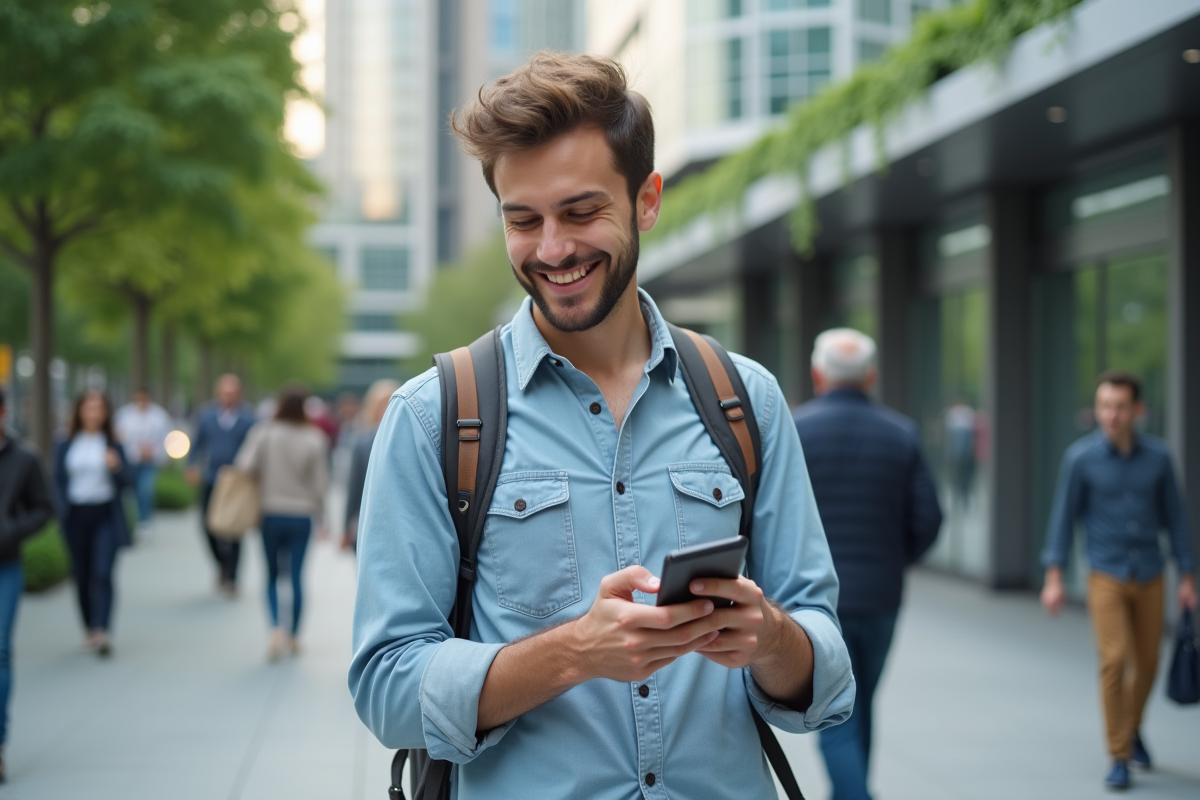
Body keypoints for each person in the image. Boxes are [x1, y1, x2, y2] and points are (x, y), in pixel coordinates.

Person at [348, 52, 853, 799]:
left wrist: (773, 638)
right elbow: (386, 685)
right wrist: (575, 653)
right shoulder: (434, 416)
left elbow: (826, 663)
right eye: (524, 220)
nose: (552, 250)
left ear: (647, 201)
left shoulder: (747, 398)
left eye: (582, 213)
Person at [793, 329, 942, 800]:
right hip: (880, 595)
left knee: (836, 710)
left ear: (818, 375)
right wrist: (896, 559)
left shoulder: (795, 429)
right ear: (871, 376)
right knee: (860, 702)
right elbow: (929, 517)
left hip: (815, 598)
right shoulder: (900, 433)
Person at [1040, 370, 1197, 791]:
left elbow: (1176, 519)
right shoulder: (1080, 458)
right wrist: (1054, 575)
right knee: (1114, 659)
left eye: (1120, 406)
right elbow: (1063, 517)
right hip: (1105, 573)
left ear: (1137, 410)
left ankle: (1131, 727)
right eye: (1105, 406)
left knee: (1146, 663)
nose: (1111, 415)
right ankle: (1119, 754)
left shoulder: (1159, 458)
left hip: (1149, 571)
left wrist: (1187, 574)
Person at [235, 385, 328, 660]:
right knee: (298, 577)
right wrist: (325, 519)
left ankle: (275, 628)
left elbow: (243, 466)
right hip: (302, 515)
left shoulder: (264, 433)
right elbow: (321, 484)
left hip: (270, 512)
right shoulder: (315, 438)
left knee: (273, 575)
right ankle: (295, 636)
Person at [0, 387, 54, 781]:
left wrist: (12, 532)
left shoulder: (24, 458)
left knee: (0, 650)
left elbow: (44, 508)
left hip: (5, 565)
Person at [53, 390, 132, 657]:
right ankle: (88, 624)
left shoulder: (112, 443)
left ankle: (102, 629)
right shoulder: (65, 443)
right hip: (75, 516)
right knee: (82, 574)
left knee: (103, 572)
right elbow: (57, 480)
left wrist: (117, 467)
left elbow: (127, 481)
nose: (94, 413)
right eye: (89, 408)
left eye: (99, 408)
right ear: (79, 411)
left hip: (105, 514)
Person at [187, 374, 255, 596]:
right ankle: (221, 562)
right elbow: (197, 443)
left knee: (234, 528)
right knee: (208, 525)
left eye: (232, 392)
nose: (228, 396)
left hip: (236, 480)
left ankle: (232, 577)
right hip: (212, 477)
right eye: (225, 392)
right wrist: (192, 466)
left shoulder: (248, 419)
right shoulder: (206, 416)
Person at [341, 379, 399, 552]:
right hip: (369, 524)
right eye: (381, 405)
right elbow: (354, 487)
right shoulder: (363, 442)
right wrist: (346, 528)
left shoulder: (411, 440)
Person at [114, 387, 173, 536]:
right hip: (130, 461)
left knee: (145, 490)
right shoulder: (124, 415)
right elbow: (119, 439)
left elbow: (167, 438)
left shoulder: (159, 416)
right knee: (129, 493)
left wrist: (155, 452)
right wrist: (135, 450)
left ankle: (144, 520)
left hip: (149, 461)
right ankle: (129, 521)